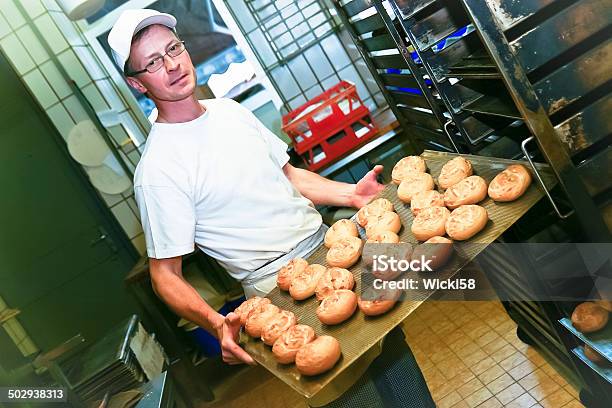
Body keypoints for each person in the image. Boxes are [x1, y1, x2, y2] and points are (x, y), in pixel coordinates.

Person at [108, 9, 434, 407]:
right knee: (351, 392)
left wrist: (351, 195)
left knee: (397, 364)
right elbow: (165, 275)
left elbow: (291, 176)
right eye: (153, 62)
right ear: (137, 83)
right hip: (280, 292)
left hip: (331, 253)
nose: (172, 64)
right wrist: (216, 323)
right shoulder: (158, 169)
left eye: (173, 48)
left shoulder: (231, 112)